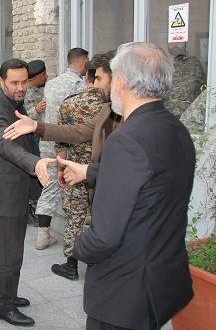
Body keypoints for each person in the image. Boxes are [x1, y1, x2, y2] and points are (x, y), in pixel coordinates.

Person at [61, 42, 195, 330]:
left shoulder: (126, 140)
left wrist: (77, 246)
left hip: (124, 292)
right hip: (160, 280)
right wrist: (90, 172)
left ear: (120, 82)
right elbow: (151, 182)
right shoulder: (176, 129)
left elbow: (104, 237)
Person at [0, 58, 54, 327]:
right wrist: (35, 163)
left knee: (6, 249)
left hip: (15, 189)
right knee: (11, 254)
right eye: (14, 82)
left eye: (24, 81)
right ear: (1, 81)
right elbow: (6, 145)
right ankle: (3, 306)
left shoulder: (15, 102)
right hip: (6, 193)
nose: (21, 87)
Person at [3, 50, 120, 202]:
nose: (94, 85)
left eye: (99, 78)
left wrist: (87, 171)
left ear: (117, 79)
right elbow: (76, 132)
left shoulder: (135, 118)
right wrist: (35, 126)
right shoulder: (108, 110)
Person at [50, 59, 103, 281]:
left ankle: (71, 265)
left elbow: (61, 138)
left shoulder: (70, 104)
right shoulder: (114, 107)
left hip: (75, 170)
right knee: (102, 216)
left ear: (86, 77)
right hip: (103, 170)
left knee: (75, 217)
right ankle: (99, 263)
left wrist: (61, 167)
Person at [35, 48, 87, 250]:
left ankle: (43, 233)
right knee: (73, 188)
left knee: (49, 186)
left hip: (47, 141)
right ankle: (73, 235)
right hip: (67, 146)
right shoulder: (79, 85)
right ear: (82, 63)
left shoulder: (51, 83)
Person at [22, 59, 47, 227]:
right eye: (44, 74)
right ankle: (30, 209)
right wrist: (35, 110)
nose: (47, 76)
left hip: (42, 141)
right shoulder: (23, 93)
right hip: (29, 142)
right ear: (38, 76)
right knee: (32, 175)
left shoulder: (44, 90)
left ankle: (37, 208)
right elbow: (18, 118)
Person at [163, 41, 206, 118]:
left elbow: (203, 90)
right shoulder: (163, 63)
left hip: (189, 117)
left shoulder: (194, 63)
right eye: (172, 42)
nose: (175, 45)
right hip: (166, 116)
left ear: (185, 43)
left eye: (179, 42)